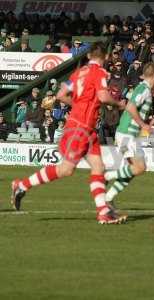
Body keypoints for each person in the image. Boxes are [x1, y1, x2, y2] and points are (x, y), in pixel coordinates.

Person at [11, 42, 127, 225]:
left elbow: (60, 94)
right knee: (66, 169)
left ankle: (103, 212)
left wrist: (79, 105)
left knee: (98, 167)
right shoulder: (100, 73)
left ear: (88, 56)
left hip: (85, 128)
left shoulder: (78, 73)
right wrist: (120, 104)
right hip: (81, 128)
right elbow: (104, 97)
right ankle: (22, 184)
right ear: (105, 57)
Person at [104, 62, 154, 206]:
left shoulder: (142, 88)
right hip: (127, 134)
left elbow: (133, 107)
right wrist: (144, 125)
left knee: (134, 170)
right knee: (139, 168)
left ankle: (109, 198)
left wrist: (147, 123)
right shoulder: (145, 89)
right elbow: (130, 106)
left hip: (128, 134)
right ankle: (107, 175)